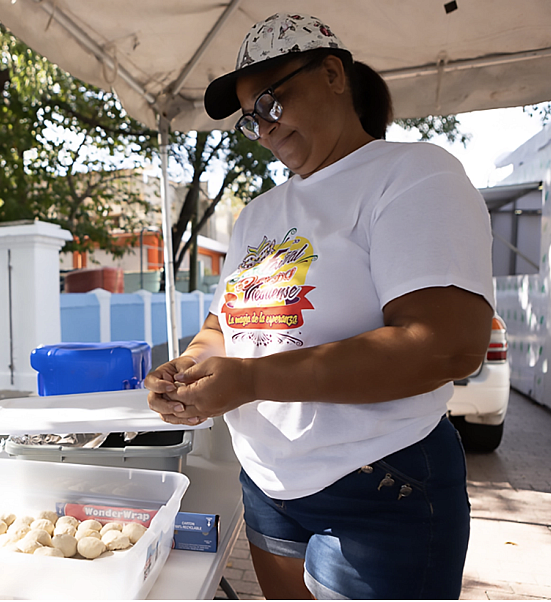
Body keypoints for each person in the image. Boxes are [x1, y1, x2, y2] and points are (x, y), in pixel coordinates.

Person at [145, 13, 495, 600]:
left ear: (333, 74)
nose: (263, 127)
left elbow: (445, 343)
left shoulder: (412, 174)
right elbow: (223, 327)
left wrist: (251, 379)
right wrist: (189, 369)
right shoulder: (257, 213)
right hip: (266, 481)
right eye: (251, 119)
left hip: (381, 480)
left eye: (271, 103)